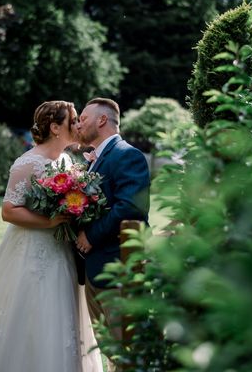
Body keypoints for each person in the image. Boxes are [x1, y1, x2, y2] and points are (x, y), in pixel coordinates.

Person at [0, 100, 103, 372]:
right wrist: (50, 220)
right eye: (72, 120)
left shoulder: (65, 160)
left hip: (61, 252)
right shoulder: (28, 163)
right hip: (31, 252)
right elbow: (8, 211)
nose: (78, 125)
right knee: (30, 314)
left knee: (60, 316)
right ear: (55, 127)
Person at [75, 98, 150, 369]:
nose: (78, 123)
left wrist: (90, 236)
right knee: (112, 354)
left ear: (102, 120)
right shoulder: (93, 161)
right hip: (94, 270)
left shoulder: (127, 154)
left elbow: (130, 208)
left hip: (117, 270)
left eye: (83, 117)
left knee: (126, 353)